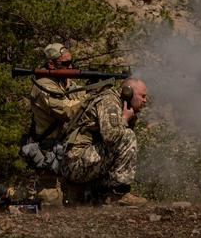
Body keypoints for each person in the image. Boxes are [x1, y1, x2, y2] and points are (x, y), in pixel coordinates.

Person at [59, 77, 148, 206]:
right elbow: (111, 137)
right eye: (142, 96)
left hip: (83, 161)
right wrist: (124, 119)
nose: (145, 100)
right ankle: (118, 194)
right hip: (76, 164)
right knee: (127, 137)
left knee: (124, 138)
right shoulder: (109, 102)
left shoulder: (120, 103)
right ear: (128, 92)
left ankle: (102, 193)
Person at [21, 43, 84, 174]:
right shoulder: (43, 85)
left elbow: (81, 93)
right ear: (51, 64)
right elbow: (67, 111)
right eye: (66, 64)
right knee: (50, 194)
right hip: (48, 151)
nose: (71, 67)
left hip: (61, 146)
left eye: (72, 62)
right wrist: (91, 98)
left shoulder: (64, 81)